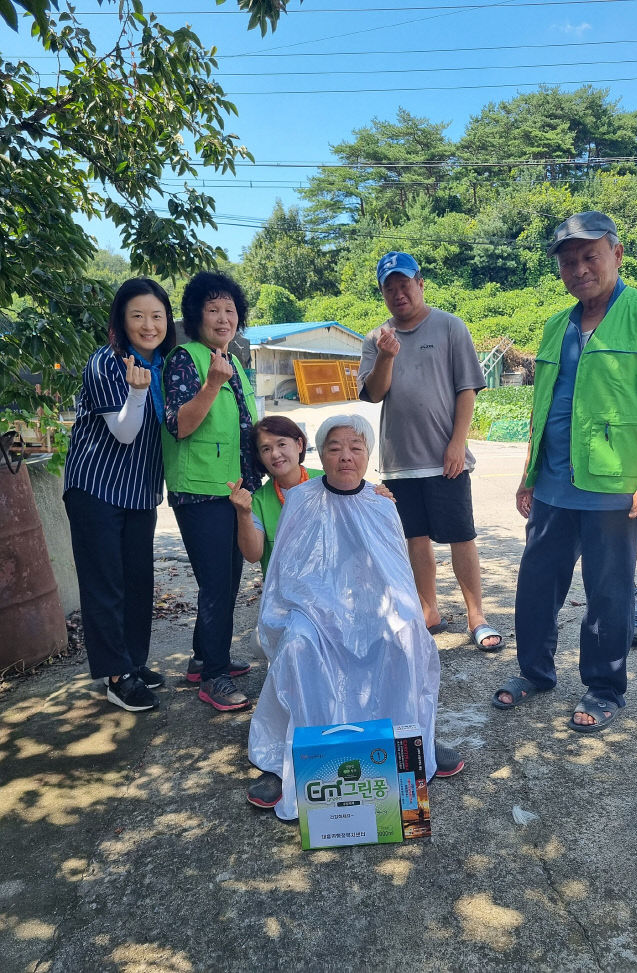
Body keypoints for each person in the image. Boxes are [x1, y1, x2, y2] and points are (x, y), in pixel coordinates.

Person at [493, 211, 637, 732]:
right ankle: (534, 673)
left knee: (608, 592)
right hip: (555, 483)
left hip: (615, 486)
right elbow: (545, 404)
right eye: (569, 261)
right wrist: (528, 473)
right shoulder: (555, 325)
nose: (580, 269)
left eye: (590, 256)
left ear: (616, 255)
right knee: (537, 584)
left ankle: (604, 688)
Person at [245, 415, 464, 816]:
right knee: (298, 643)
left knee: (408, 634)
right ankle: (290, 759)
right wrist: (319, 609)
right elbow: (287, 575)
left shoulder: (382, 504)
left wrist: (395, 614)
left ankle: (412, 741)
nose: (346, 456)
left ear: (367, 456)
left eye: (356, 448)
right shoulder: (299, 500)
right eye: (335, 448)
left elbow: (394, 576)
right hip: (314, 611)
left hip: (370, 609)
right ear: (320, 455)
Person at [358, 251, 502, 651]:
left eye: (405, 283)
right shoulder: (376, 338)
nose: (398, 292)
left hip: (446, 458)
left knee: (462, 536)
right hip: (399, 461)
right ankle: (428, 610)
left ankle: (477, 616)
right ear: (383, 293)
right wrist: (386, 356)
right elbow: (373, 393)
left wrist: (458, 443)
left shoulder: (450, 327)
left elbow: (466, 389)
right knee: (415, 538)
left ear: (420, 283)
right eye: (390, 287)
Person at [64, 278, 176, 712]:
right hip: (96, 488)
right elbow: (125, 432)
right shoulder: (107, 363)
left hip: (138, 492)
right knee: (105, 584)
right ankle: (116, 674)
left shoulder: (166, 364)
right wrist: (136, 390)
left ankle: (132, 661)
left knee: (136, 581)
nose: (149, 325)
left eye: (157, 316)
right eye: (138, 316)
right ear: (121, 321)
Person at [161, 271, 260, 712]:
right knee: (218, 583)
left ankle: (203, 661)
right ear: (196, 316)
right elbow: (179, 424)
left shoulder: (233, 360)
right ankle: (214, 678)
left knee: (227, 577)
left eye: (230, 310)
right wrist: (212, 384)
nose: (224, 318)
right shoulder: (187, 359)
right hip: (200, 490)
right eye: (213, 309)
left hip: (232, 489)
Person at [227, 415, 324, 581]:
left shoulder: (327, 482)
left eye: (282, 444)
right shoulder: (257, 501)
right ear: (259, 457)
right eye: (266, 449)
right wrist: (243, 514)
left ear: (299, 444)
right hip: (283, 597)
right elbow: (252, 555)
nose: (275, 454)